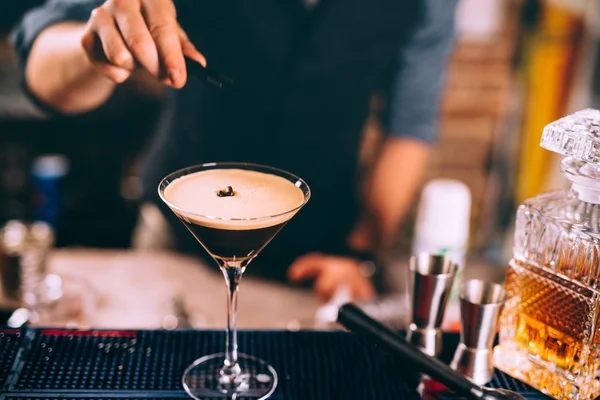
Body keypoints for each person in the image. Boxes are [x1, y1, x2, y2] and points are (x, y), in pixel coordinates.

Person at [11, 0, 458, 302]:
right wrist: (96, 48)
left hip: (319, 257)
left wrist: (358, 253)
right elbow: (42, 60)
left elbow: (409, 127)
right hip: (178, 240)